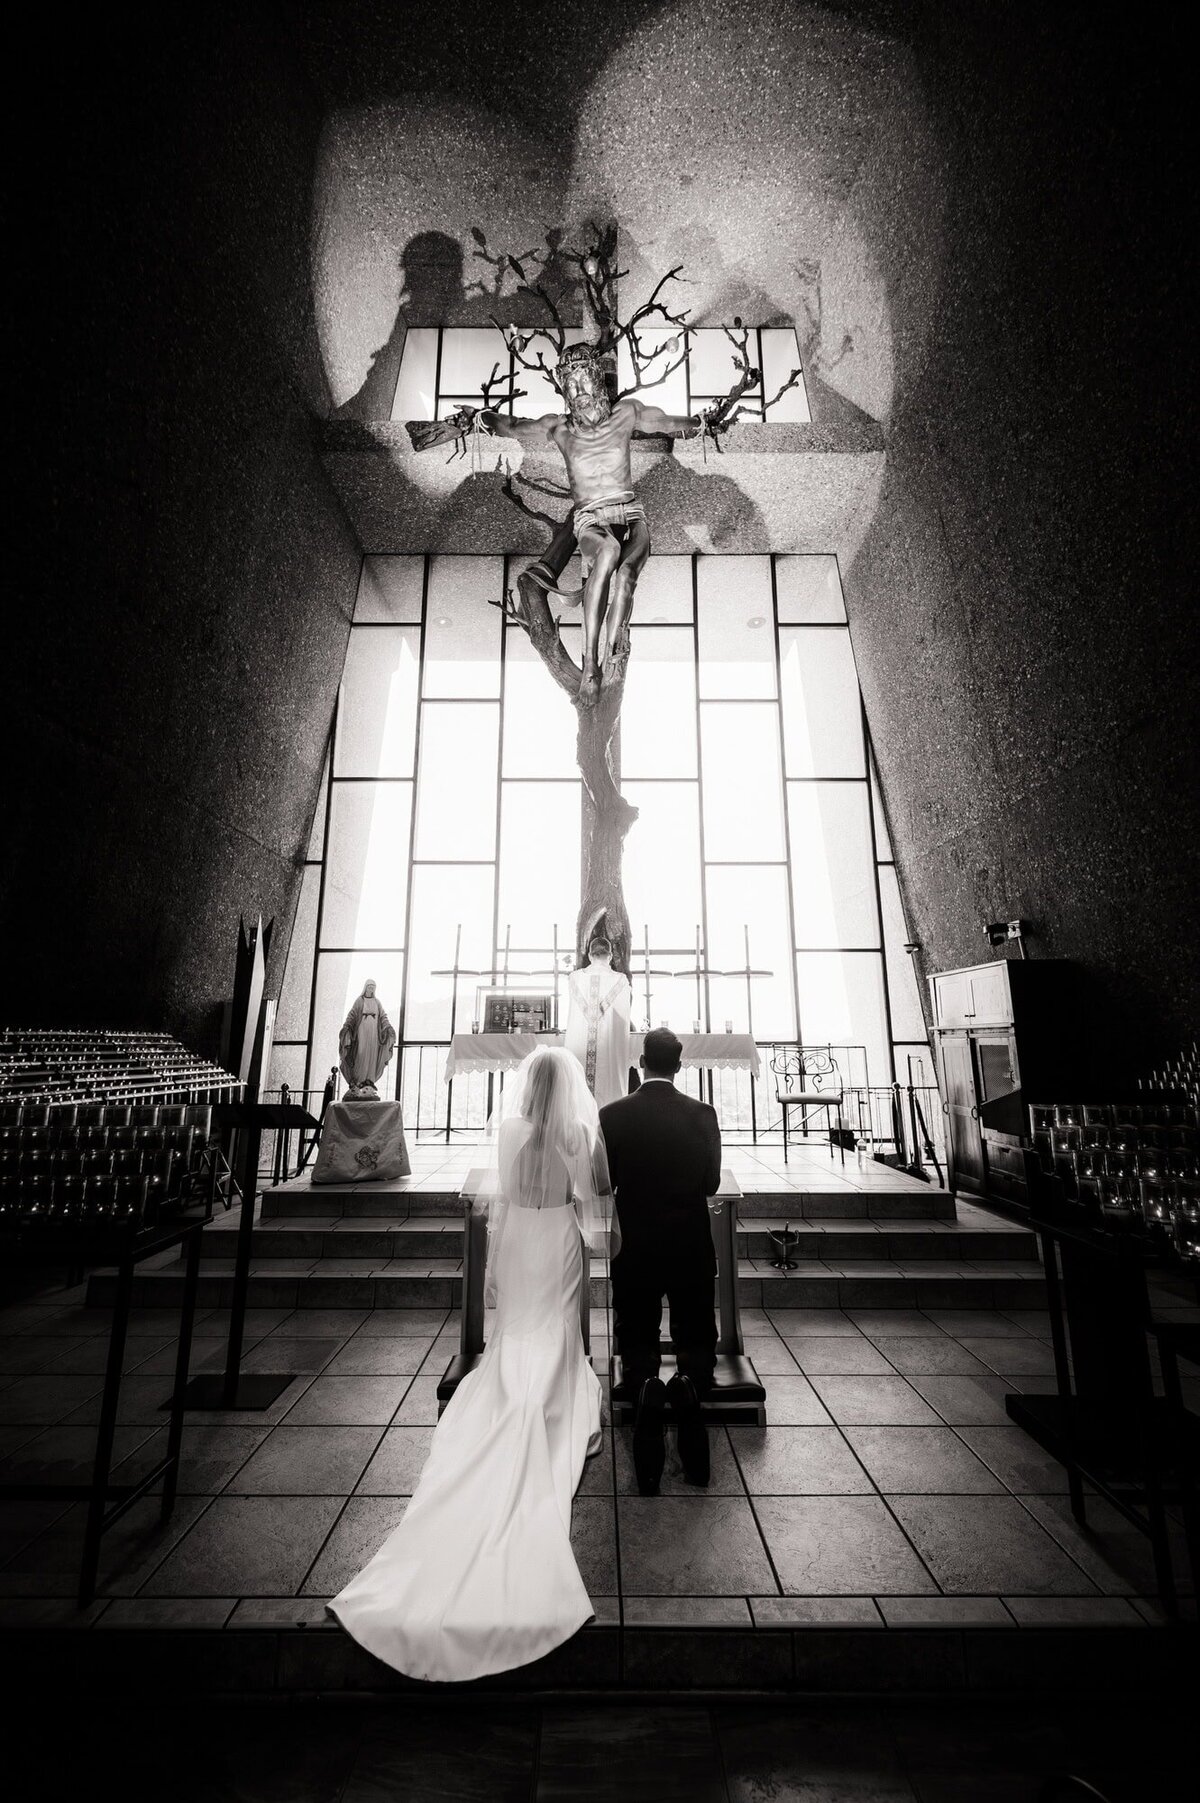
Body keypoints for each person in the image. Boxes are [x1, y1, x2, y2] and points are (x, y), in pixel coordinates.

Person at [328, 1046, 617, 1681]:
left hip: (518, 1246)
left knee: (514, 1335)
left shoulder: (509, 1130)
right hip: (560, 1241)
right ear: (570, 1089)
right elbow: (596, 1207)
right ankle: (549, 1394)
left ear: (526, 1087)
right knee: (555, 1330)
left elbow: (502, 1205)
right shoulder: (582, 1133)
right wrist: (597, 1232)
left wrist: (489, 1274)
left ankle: (512, 1392)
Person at [477, 343, 707, 704]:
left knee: (627, 573)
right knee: (609, 551)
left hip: (630, 512)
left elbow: (663, 420)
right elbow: (514, 426)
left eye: (585, 384)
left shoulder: (626, 414)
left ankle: (614, 654)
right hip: (591, 519)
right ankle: (590, 666)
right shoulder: (559, 427)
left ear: (599, 383)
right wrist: (484, 417)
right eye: (571, 387)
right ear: (564, 392)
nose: (580, 394)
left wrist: (697, 422)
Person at [599, 1028, 722, 1496]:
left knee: (637, 1323)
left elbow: (604, 1181)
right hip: (689, 1240)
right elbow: (710, 1184)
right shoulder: (702, 1114)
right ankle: (690, 1383)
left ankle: (645, 1384)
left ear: (642, 1061)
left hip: (637, 1243)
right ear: (679, 1063)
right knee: (693, 1324)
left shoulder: (613, 1115)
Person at [563, 933, 632, 1112]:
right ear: (609, 956)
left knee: (578, 1089)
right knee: (609, 1084)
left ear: (590, 955)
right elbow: (623, 1017)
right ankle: (609, 1123)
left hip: (579, 1046)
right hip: (608, 1046)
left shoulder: (574, 978)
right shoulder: (620, 980)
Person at [337, 979, 397, 1098]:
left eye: (373, 987)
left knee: (372, 1055)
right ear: (365, 987)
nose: (371, 989)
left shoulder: (377, 1002)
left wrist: (388, 1027)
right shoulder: (360, 1001)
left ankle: (369, 1080)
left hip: (374, 1033)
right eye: (370, 987)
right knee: (361, 1053)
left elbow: (383, 1016)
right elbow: (353, 1014)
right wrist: (347, 1026)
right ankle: (358, 1081)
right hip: (361, 1031)